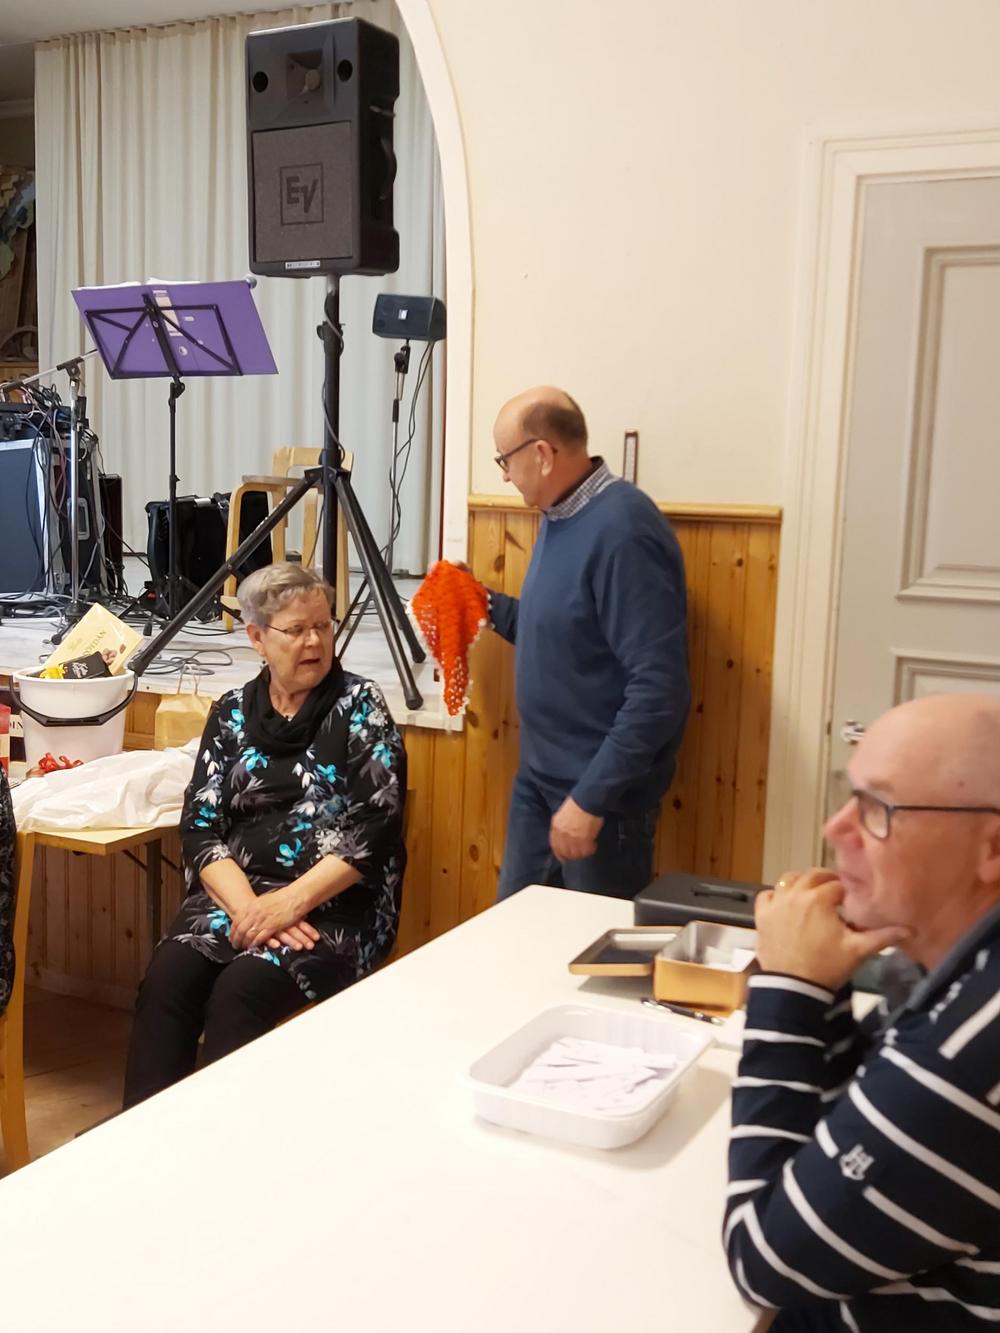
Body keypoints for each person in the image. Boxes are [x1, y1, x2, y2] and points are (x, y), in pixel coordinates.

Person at [724, 693, 1000, 1330]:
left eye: (879, 808)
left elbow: (762, 1264)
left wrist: (790, 989)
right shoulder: (955, 966)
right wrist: (821, 977)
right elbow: (850, 1115)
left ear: (992, 847)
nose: (835, 829)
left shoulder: (966, 1054)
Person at [122, 563, 406, 1108]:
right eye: (296, 630)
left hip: (335, 908)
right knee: (168, 980)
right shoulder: (230, 711)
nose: (315, 641)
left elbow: (375, 829)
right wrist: (254, 910)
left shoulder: (360, 706)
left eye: (322, 626)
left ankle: (227, 1145)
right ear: (256, 637)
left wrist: (288, 905)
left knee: (241, 992)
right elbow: (200, 826)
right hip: (238, 900)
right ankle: (139, 1141)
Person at [486, 386, 689, 900]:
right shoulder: (561, 516)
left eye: (505, 460)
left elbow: (659, 690)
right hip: (540, 782)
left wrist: (591, 799)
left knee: (593, 945)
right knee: (509, 935)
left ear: (541, 453)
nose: (505, 476)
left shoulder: (624, 529)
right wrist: (480, 602)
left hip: (599, 802)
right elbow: (554, 631)